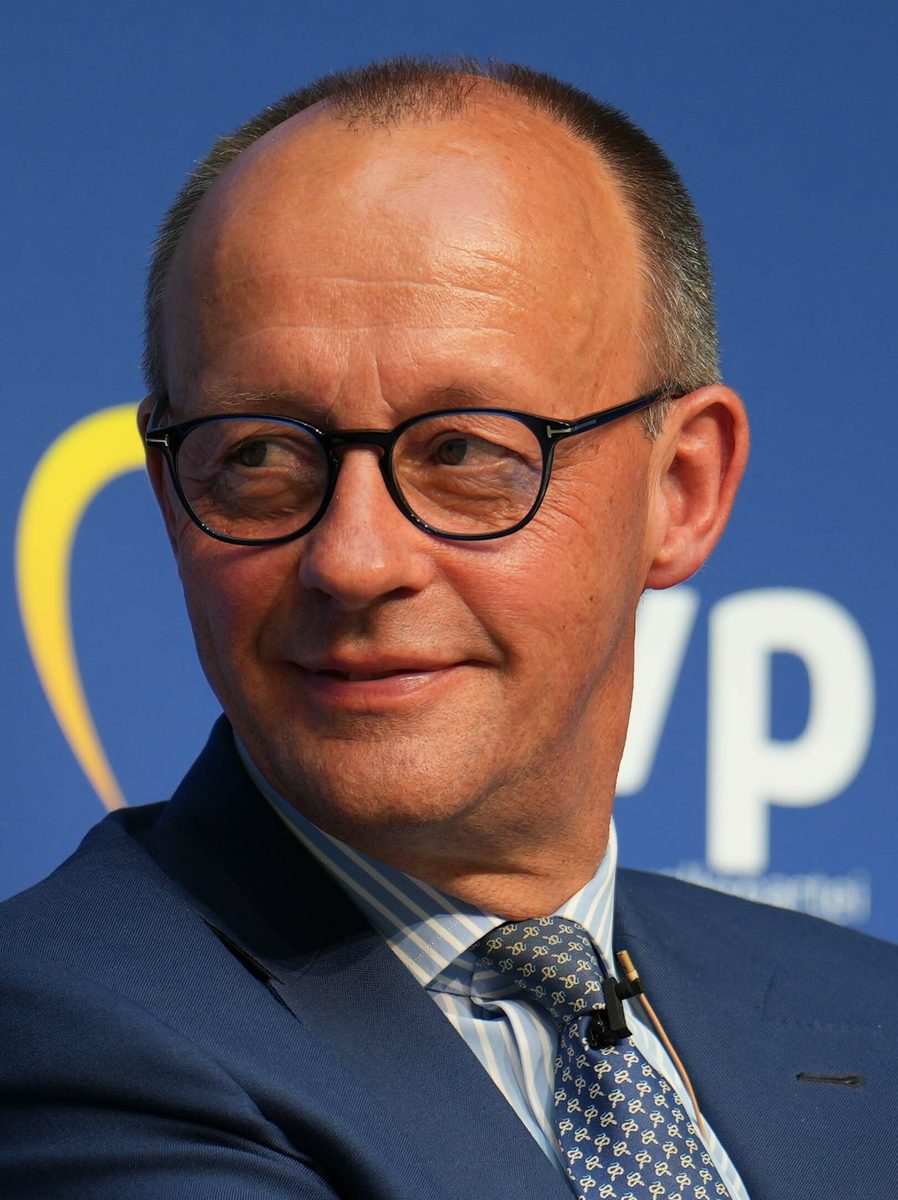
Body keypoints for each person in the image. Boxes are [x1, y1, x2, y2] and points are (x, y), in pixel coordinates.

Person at [1, 58, 896, 1200]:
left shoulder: (867, 1011)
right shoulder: (59, 1037)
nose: (354, 559)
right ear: (174, 498)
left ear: (681, 489)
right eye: (260, 455)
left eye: (464, 450)